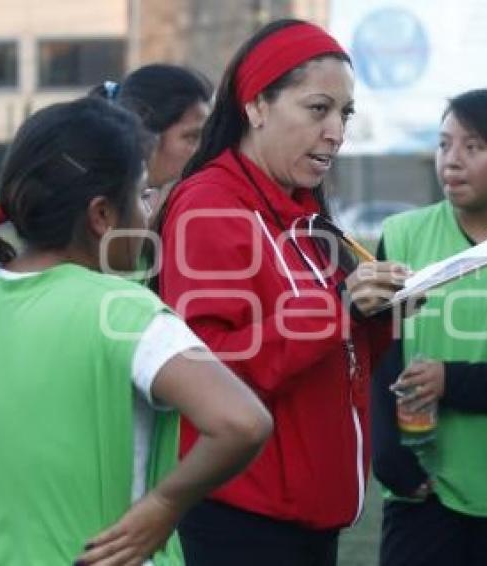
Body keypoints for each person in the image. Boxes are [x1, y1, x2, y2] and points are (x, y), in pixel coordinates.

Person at [0, 97, 272, 565]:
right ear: (102, 215)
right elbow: (243, 422)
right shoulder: (123, 311)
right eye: (144, 195)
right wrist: (164, 507)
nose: (150, 213)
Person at [157, 19, 406, 565]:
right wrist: (340, 308)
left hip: (308, 518)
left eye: (345, 114)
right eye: (318, 109)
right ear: (257, 106)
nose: (337, 131)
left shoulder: (303, 210)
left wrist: (379, 314)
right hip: (245, 520)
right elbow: (210, 367)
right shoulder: (211, 204)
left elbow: (334, 359)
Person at [371, 89, 487, 566]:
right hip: (423, 491)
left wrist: (448, 380)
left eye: (473, 148)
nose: (452, 161)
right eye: (444, 145)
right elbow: (378, 354)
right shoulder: (402, 234)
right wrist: (390, 459)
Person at [94, 64, 213, 213]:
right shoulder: (108, 215)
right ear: (147, 138)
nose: (205, 150)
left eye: (208, 137)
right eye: (191, 137)